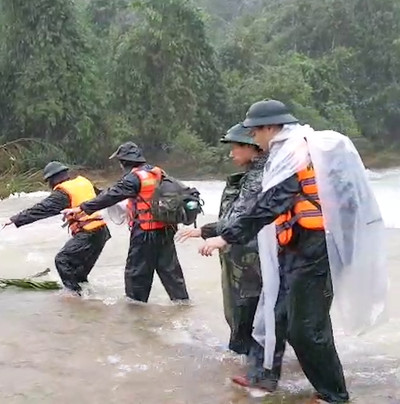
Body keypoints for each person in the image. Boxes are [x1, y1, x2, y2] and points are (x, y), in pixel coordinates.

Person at [197, 99, 375, 403]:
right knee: (275, 315)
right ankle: (263, 377)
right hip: (294, 248)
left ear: (270, 128)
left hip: (316, 251)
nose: (253, 138)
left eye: (254, 133)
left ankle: (334, 395)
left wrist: (225, 237)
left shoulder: (295, 154)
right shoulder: (285, 153)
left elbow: (268, 205)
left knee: (306, 329)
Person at [176, 123, 266, 355]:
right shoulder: (255, 175)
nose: (231, 153)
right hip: (244, 253)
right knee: (246, 309)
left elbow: (242, 217)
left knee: (244, 308)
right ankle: (251, 357)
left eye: (235, 147)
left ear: (252, 147)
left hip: (248, 256)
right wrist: (205, 231)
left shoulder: (257, 178)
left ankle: (248, 360)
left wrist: (214, 234)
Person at [61, 142, 189, 303]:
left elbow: (111, 197)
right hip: (166, 229)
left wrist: (82, 208)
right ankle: (183, 306)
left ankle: (135, 317)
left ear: (124, 162)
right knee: (171, 273)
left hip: (144, 233)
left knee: (136, 275)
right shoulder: (158, 172)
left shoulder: (133, 178)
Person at [5, 161, 111, 295]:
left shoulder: (63, 192)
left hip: (88, 233)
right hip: (102, 232)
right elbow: (103, 197)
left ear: (53, 179)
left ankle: (74, 296)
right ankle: (87, 300)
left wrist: (14, 219)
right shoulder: (84, 182)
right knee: (78, 274)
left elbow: (42, 209)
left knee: (62, 261)